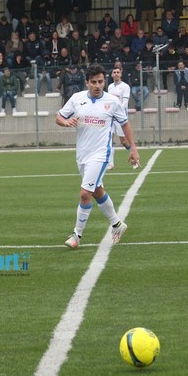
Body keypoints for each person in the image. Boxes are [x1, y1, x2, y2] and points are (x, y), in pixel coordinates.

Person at [57, 64, 139, 249]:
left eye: (101, 82)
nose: (97, 85)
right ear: (87, 82)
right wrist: (66, 122)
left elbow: (125, 124)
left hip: (101, 154)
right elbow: (59, 117)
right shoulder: (77, 99)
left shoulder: (112, 102)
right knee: (96, 190)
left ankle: (76, 235)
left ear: (105, 82)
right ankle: (118, 225)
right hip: (82, 154)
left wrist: (133, 148)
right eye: (93, 82)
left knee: (85, 193)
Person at [107, 66, 137, 170]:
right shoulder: (110, 86)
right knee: (109, 139)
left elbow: (125, 103)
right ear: (111, 75)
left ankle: (135, 158)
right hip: (111, 118)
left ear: (121, 74)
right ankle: (110, 163)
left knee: (124, 140)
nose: (115, 74)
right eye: (114, 72)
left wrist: (117, 111)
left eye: (117, 72)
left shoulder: (125, 87)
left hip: (120, 118)